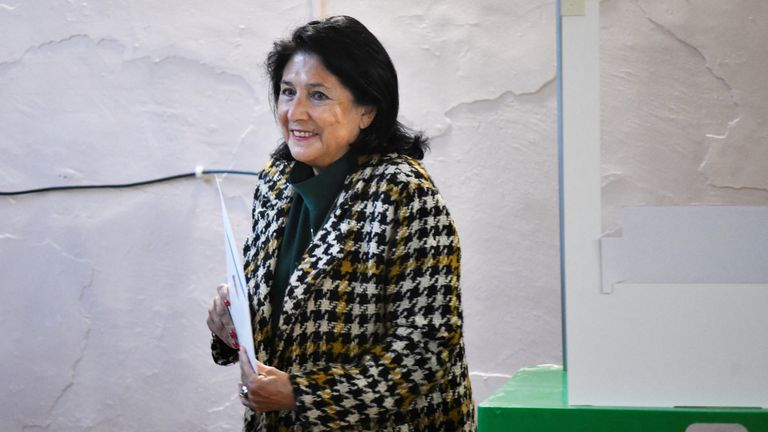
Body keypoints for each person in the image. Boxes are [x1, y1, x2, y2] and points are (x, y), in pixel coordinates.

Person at [206, 15, 475, 431]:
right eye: (287, 92)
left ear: (367, 109)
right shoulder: (276, 181)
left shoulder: (403, 192)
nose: (295, 112)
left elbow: (426, 349)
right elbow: (284, 315)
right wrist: (232, 325)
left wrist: (300, 394)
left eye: (318, 96)